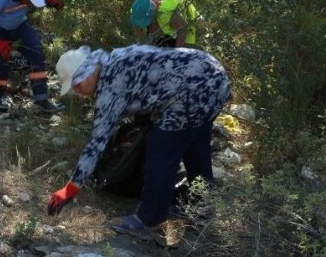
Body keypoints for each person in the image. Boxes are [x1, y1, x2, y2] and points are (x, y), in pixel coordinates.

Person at [47, 44, 231, 235]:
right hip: (212, 74)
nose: (78, 92)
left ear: (89, 72)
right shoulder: (114, 58)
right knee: (195, 146)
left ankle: (149, 219)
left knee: (160, 154)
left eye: (77, 84)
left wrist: (70, 189)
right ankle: (203, 206)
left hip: (194, 90)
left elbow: (97, 143)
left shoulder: (110, 86)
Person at [130, 0, 197, 48]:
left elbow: (183, 28)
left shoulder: (167, 15)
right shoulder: (149, 3)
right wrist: (139, 44)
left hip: (187, 32)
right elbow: (137, 25)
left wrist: (177, 53)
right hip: (167, 25)